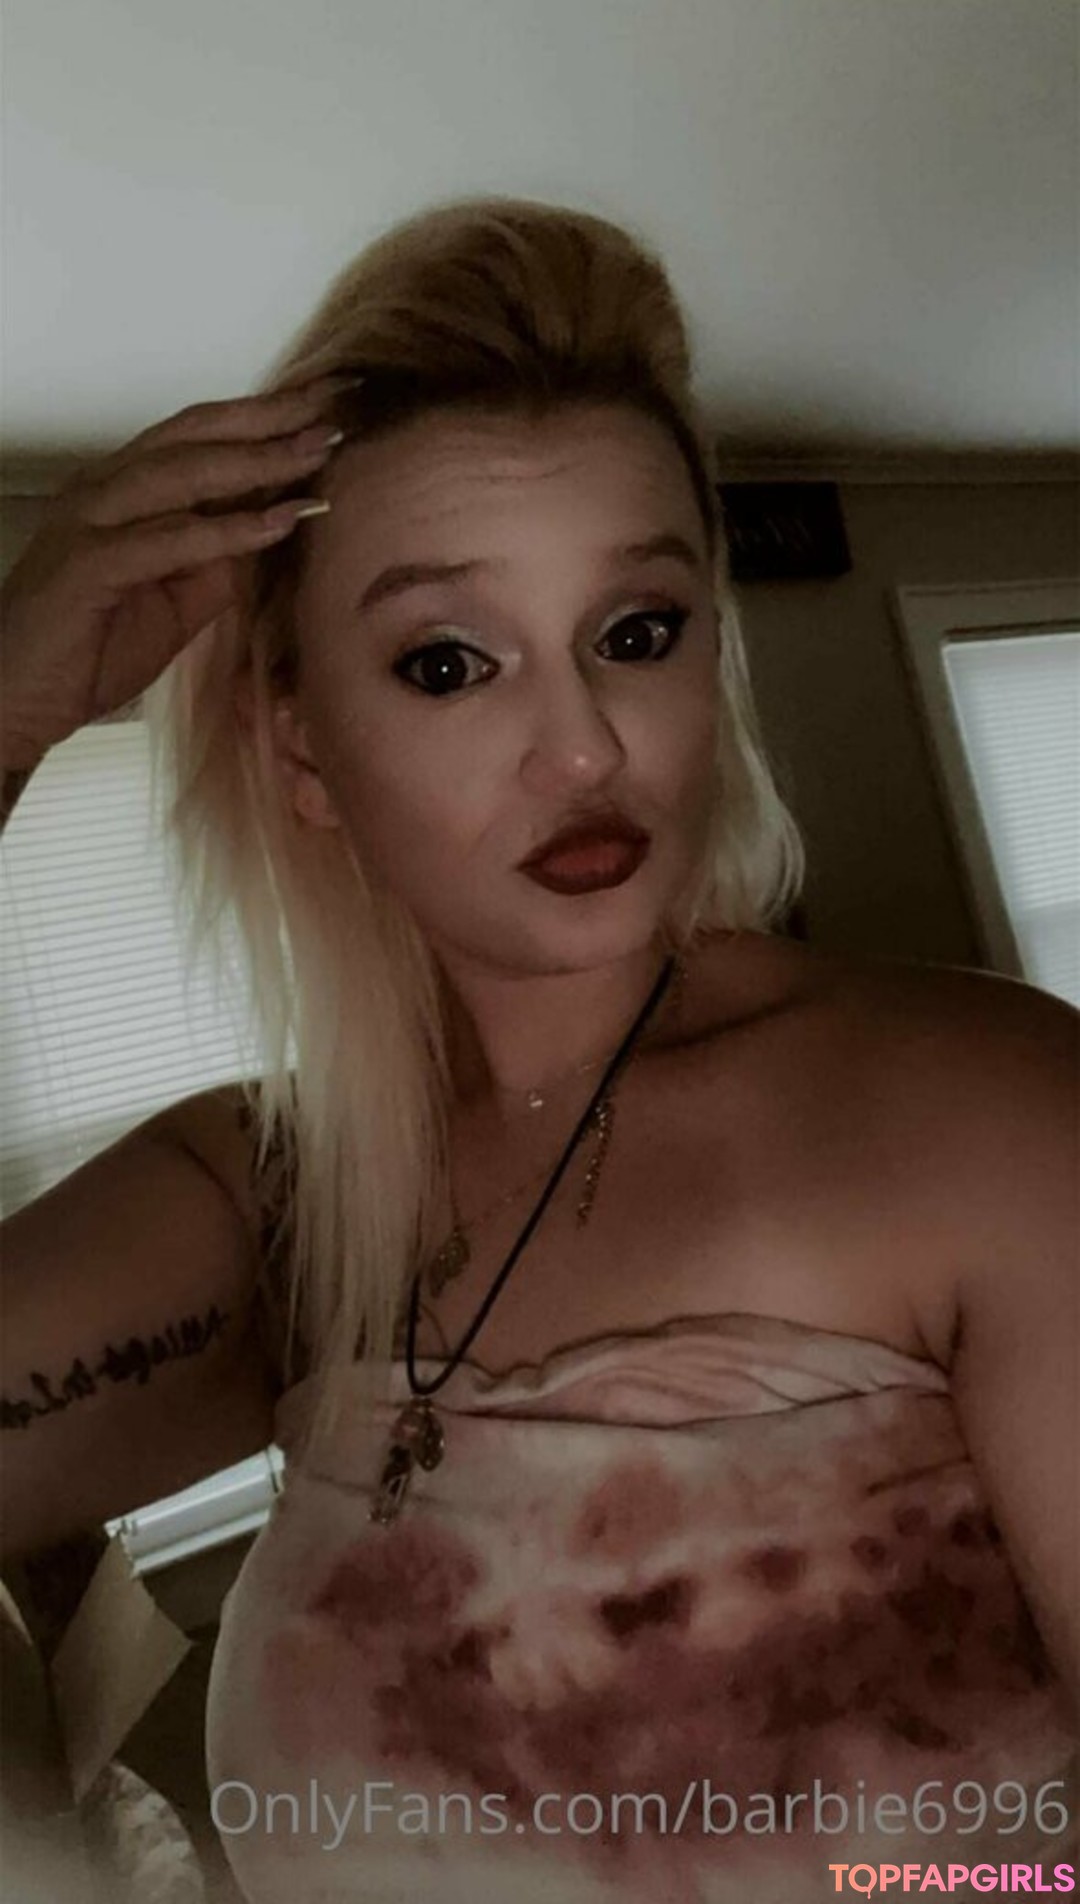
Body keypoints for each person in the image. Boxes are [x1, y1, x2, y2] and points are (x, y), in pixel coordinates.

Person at [1, 195, 1076, 1903]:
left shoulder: (989, 1114)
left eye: (636, 634)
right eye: (448, 663)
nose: (581, 748)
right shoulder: (284, 1204)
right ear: (301, 749)